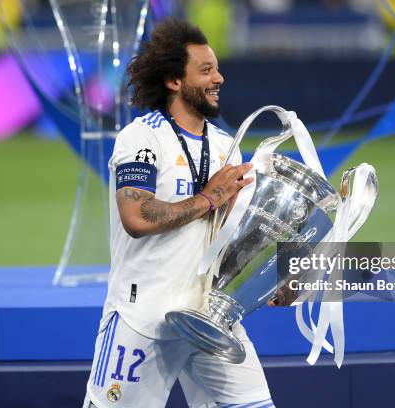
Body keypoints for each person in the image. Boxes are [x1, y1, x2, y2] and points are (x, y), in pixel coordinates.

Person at [83, 19, 275, 408]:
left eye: (217, 68)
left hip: (207, 317)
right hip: (143, 319)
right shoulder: (142, 137)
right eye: (205, 70)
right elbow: (136, 217)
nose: (218, 78)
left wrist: (273, 279)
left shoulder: (227, 146)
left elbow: (231, 240)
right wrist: (208, 197)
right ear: (174, 80)